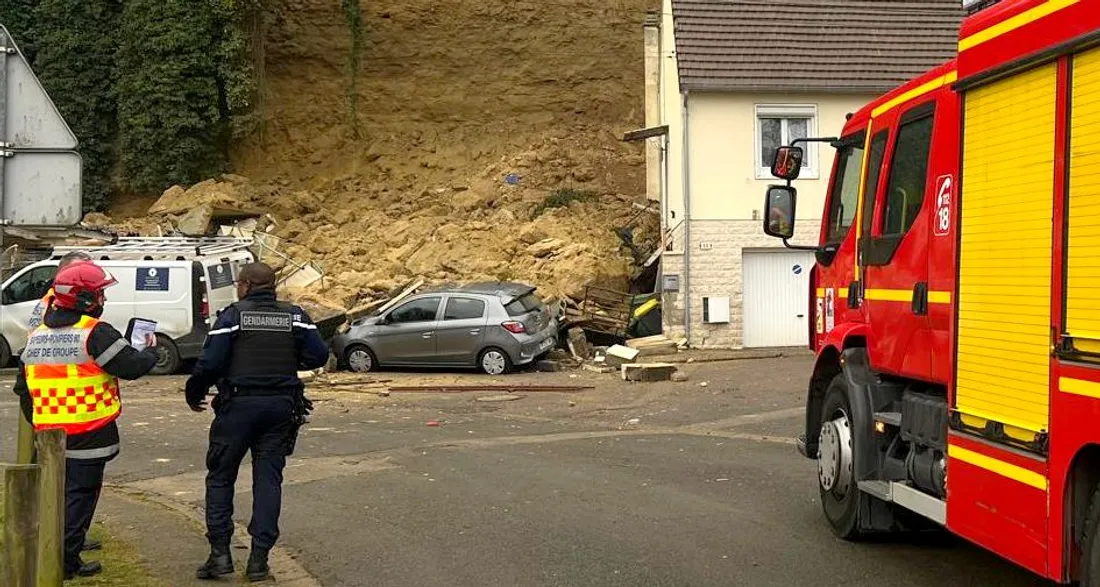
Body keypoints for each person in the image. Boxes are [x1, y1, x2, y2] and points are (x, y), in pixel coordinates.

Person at [12, 260, 159, 579]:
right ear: (83, 299)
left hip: (48, 435)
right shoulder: (95, 333)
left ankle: (51, 556)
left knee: (53, 499)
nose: (103, 301)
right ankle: (64, 562)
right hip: (90, 434)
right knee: (79, 500)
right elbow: (131, 366)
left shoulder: (36, 336)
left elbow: (23, 391)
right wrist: (151, 352)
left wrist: (42, 421)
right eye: (98, 295)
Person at [185, 262, 328, 582]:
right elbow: (319, 356)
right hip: (280, 408)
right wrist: (293, 358)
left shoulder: (233, 316)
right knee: (268, 480)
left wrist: (194, 392)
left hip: (238, 406)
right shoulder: (296, 316)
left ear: (246, 285)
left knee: (220, 478)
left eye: (239, 283)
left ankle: (220, 555)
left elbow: (209, 362)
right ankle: (259, 560)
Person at [27, 250, 93, 332]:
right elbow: (33, 334)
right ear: (61, 273)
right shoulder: (49, 301)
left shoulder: (89, 296)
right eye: (78, 271)